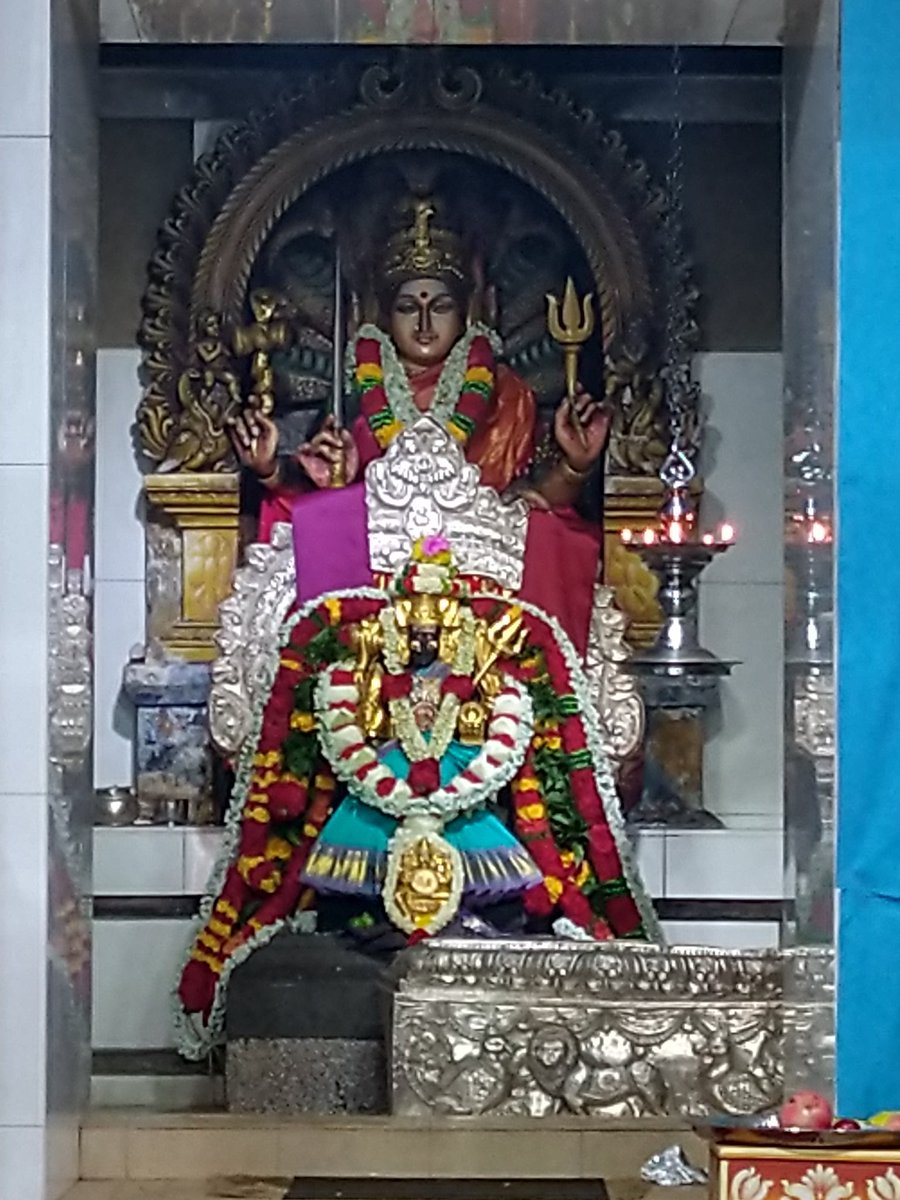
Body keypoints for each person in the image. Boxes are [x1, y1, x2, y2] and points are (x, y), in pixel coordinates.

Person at [229, 198, 610, 539]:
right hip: (377, 566)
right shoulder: (356, 392)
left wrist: (576, 464)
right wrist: (271, 471)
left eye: (441, 307)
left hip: (482, 561)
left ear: (465, 315)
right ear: (386, 318)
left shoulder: (506, 393)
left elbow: (539, 498)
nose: (424, 324)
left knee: (549, 532)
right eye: (408, 308)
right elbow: (321, 499)